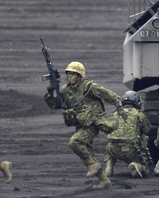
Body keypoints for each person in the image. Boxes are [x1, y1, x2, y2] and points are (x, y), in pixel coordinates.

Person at [44, 61, 128, 189]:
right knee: (88, 154)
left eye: (74, 74)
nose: (70, 77)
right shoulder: (65, 90)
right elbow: (55, 105)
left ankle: (93, 166)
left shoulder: (88, 86)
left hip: (92, 124)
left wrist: (119, 106)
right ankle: (104, 180)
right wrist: (51, 90)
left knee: (75, 142)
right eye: (69, 74)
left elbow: (107, 94)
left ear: (80, 76)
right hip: (81, 124)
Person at [104, 90, 152, 178]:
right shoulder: (139, 115)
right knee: (146, 170)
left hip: (114, 149)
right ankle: (136, 165)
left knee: (109, 150)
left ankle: (109, 167)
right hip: (131, 150)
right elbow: (147, 130)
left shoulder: (115, 114)